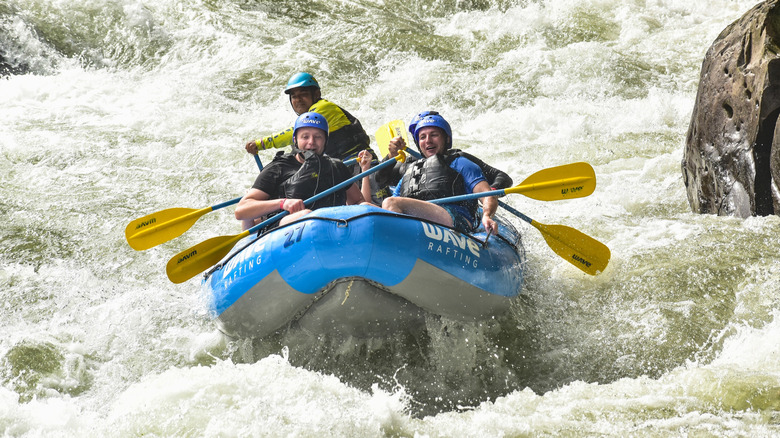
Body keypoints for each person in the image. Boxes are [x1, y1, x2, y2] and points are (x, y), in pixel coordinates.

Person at [369, 114, 499, 235]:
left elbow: (488, 195)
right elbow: (386, 202)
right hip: (419, 222)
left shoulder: (461, 163)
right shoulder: (411, 170)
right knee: (366, 207)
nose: (428, 141)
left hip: (455, 218)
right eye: (422, 137)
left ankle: (401, 247)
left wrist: (487, 215)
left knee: (391, 202)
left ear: (446, 138)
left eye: (434, 135)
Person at [235, 112, 366, 230]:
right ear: (295, 140)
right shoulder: (278, 168)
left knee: (366, 207)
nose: (311, 142)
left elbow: (358, 202)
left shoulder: (337, 167)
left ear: (326, 141)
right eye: (305, 137)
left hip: (334, 227)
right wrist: (283, 203)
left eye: (318, 137)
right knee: (307, 215)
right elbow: (241, 210)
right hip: (282, 230)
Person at [244, 72, 375, 162]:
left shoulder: (324, 107)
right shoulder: (311, 115)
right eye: (294, 96)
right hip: (340, 168)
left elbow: (297, 132)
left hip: (360, 162)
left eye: (303, 94)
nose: (298, 100)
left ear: (316, 94)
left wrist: (262, 143)